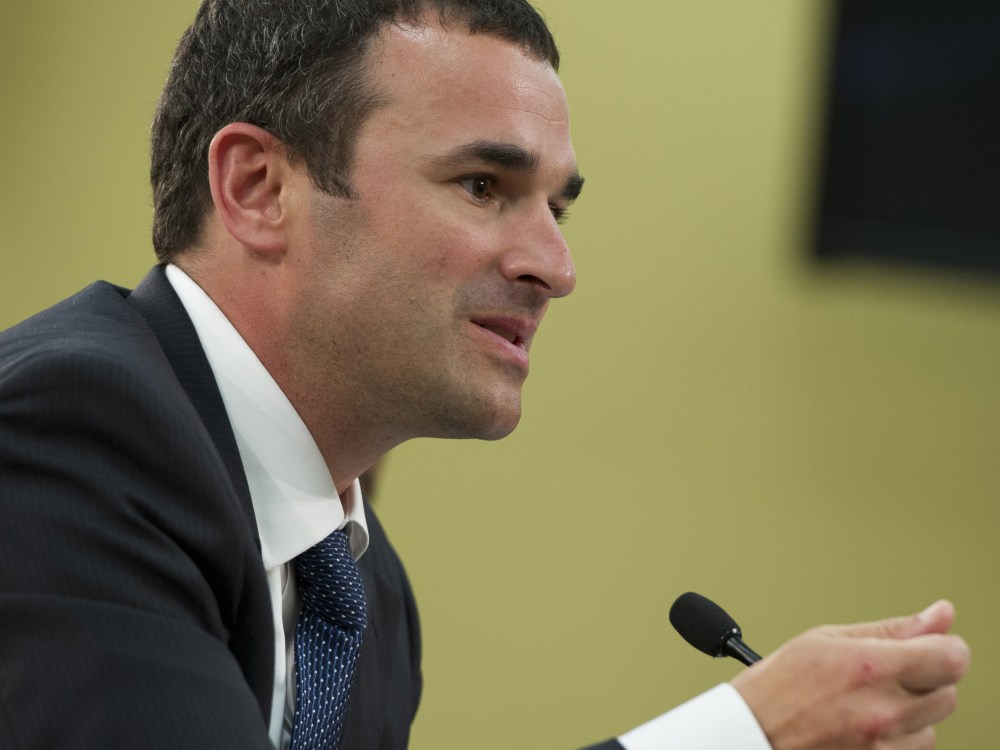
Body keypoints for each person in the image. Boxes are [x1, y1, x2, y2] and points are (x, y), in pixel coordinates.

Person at [0, 1, 968, 749]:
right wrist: (740, 733)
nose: (555, 266)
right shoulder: (64, 436)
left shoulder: (363, 596)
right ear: (259, 189)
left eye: (558, 207)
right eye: (483, 187)